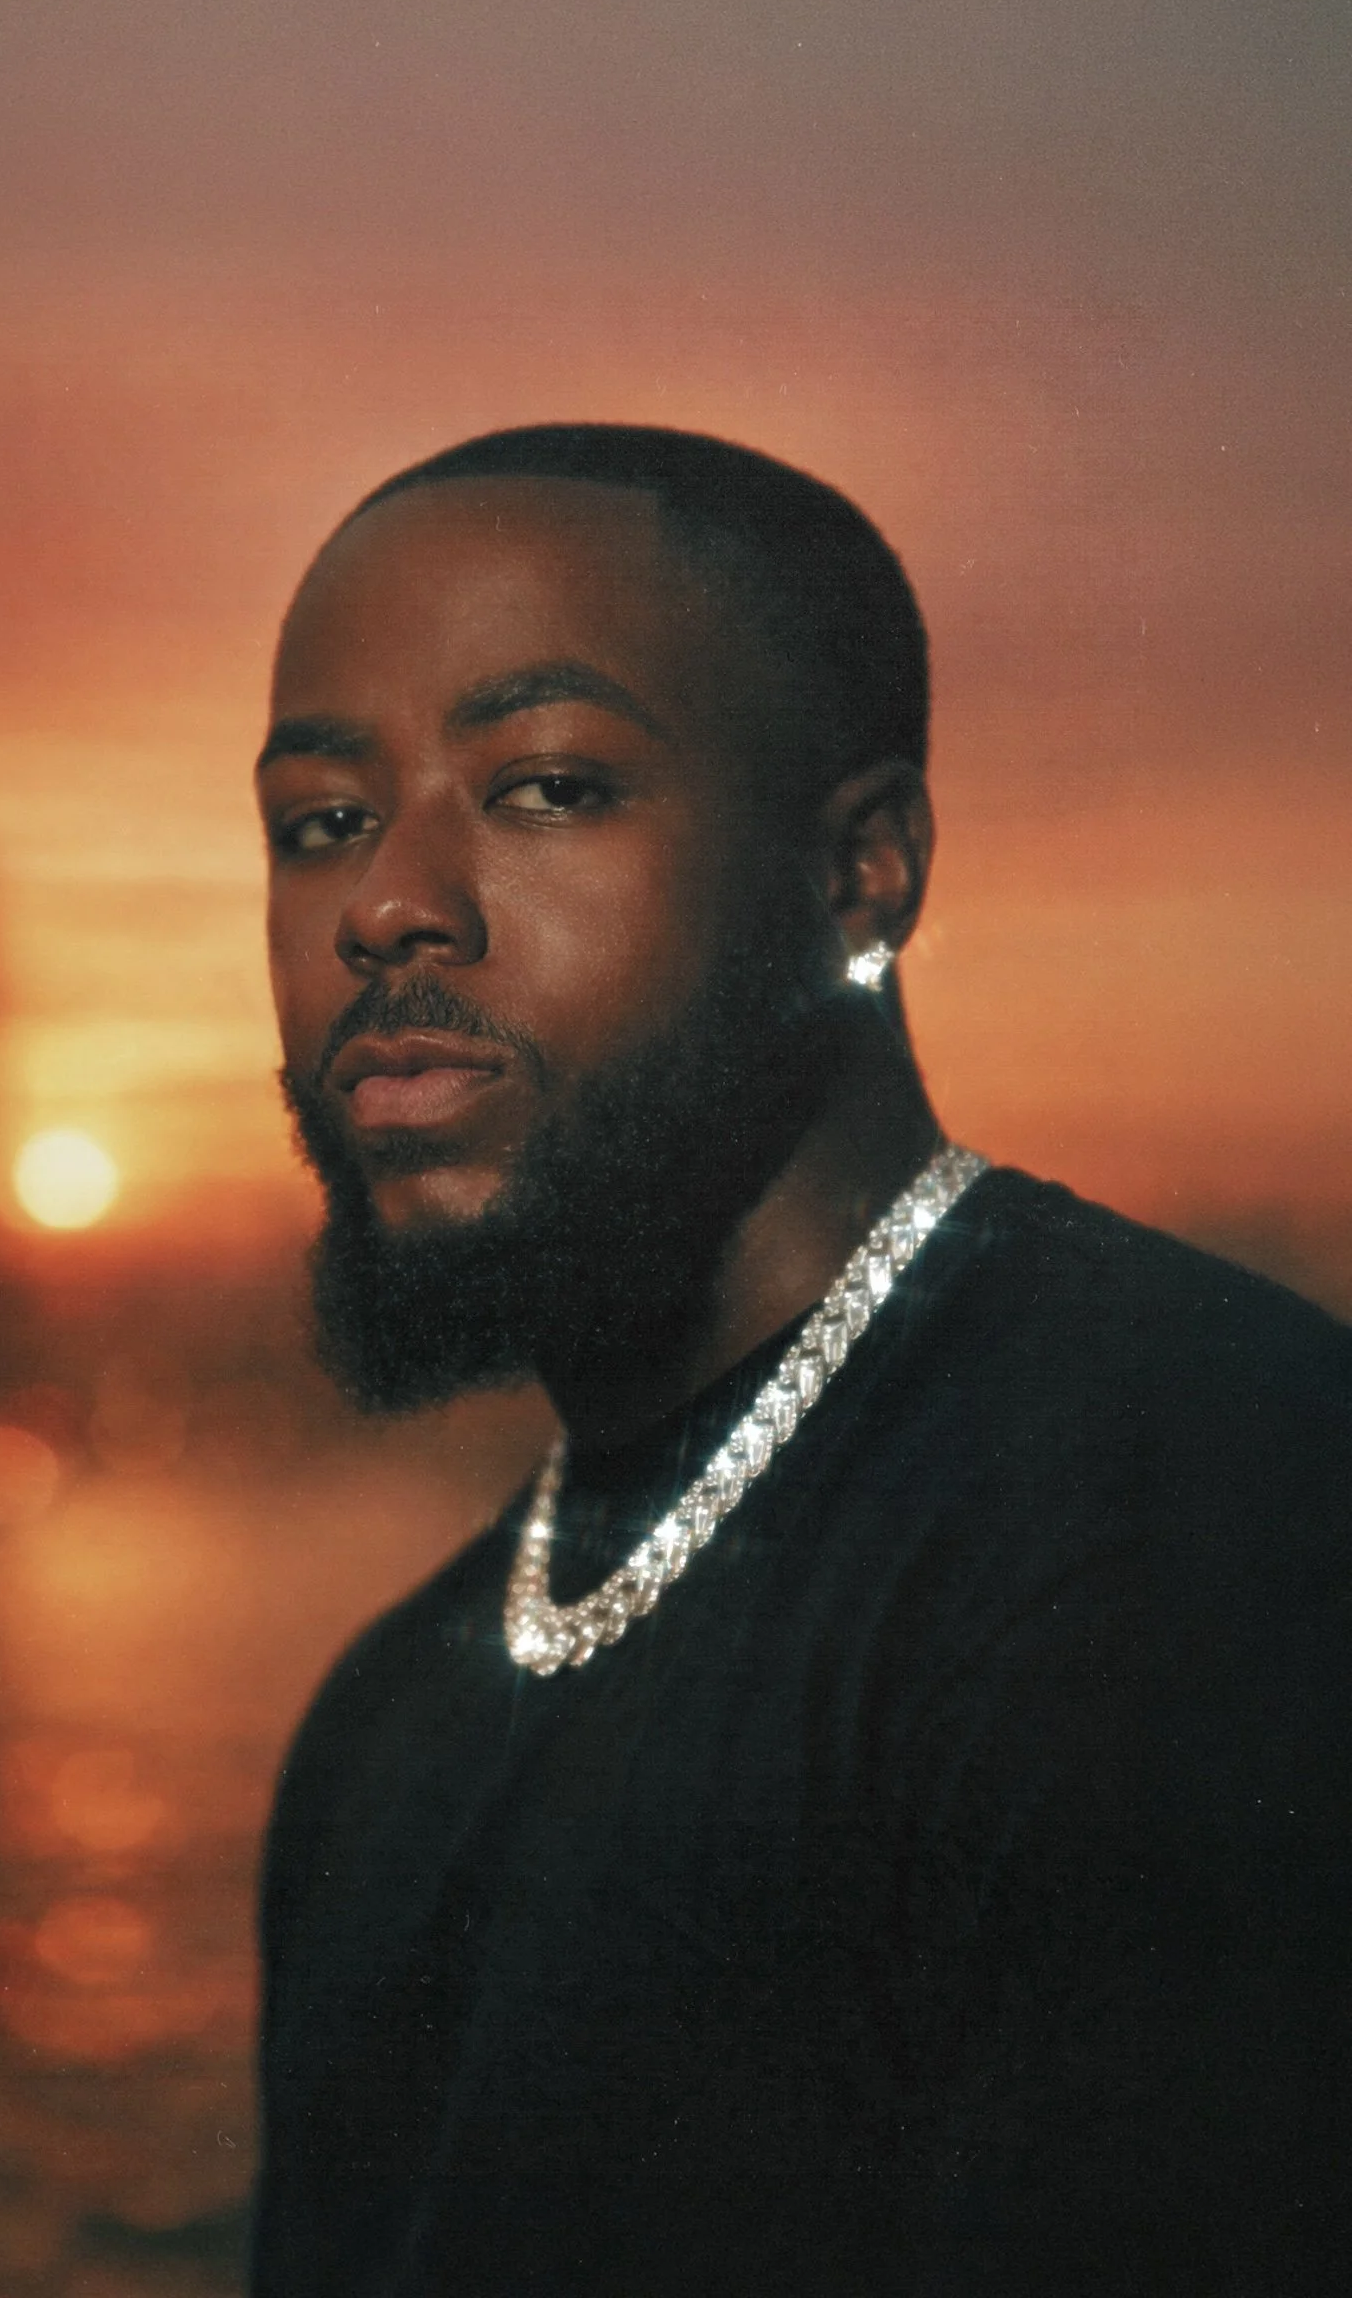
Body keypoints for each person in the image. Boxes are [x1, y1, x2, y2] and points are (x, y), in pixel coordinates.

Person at [246, 424, 1352, 2297]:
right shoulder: (380, 1726)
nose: (384, 906)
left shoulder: (1205, 1514)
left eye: (547, 786)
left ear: (863, 872)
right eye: (323, 820)